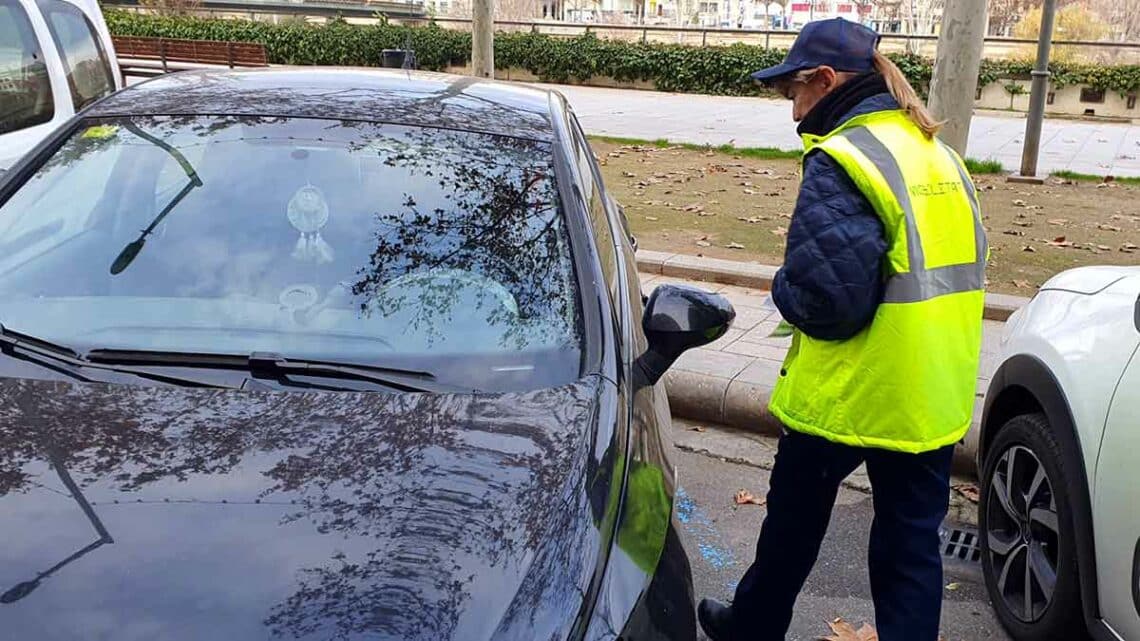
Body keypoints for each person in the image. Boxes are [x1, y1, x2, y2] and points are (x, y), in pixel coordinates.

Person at [697, 18, 987, 641]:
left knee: (793, 527)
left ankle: (751, 628)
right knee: (910, 554)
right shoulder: (939, 155)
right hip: (929, 395)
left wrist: (780, 285)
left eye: (792, 92)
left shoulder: (845, 158)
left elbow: (827, 301)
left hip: (849, 392)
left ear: (825, 81)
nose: (792, 108)